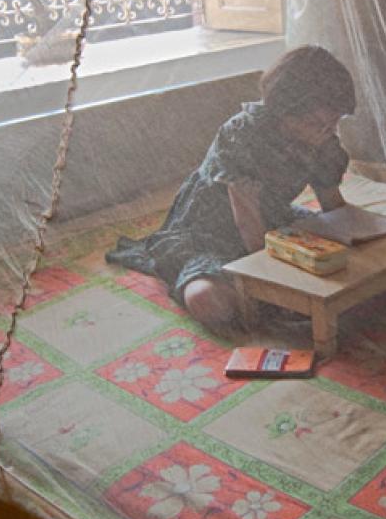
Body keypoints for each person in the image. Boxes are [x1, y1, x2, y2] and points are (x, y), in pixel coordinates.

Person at [107, 46, 356, 333]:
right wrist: (278, 283)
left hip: (274, 219)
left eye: (332, 123)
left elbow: (333, 207)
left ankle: (280, 302)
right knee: (206, 299)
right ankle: (270, 303)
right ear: (284, 112)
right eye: (314, 123)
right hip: (212, 231)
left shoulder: (322, 141)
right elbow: (247, 224)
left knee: (339, 254)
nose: (324, 132)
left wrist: (359, 240)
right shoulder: (242, 136)